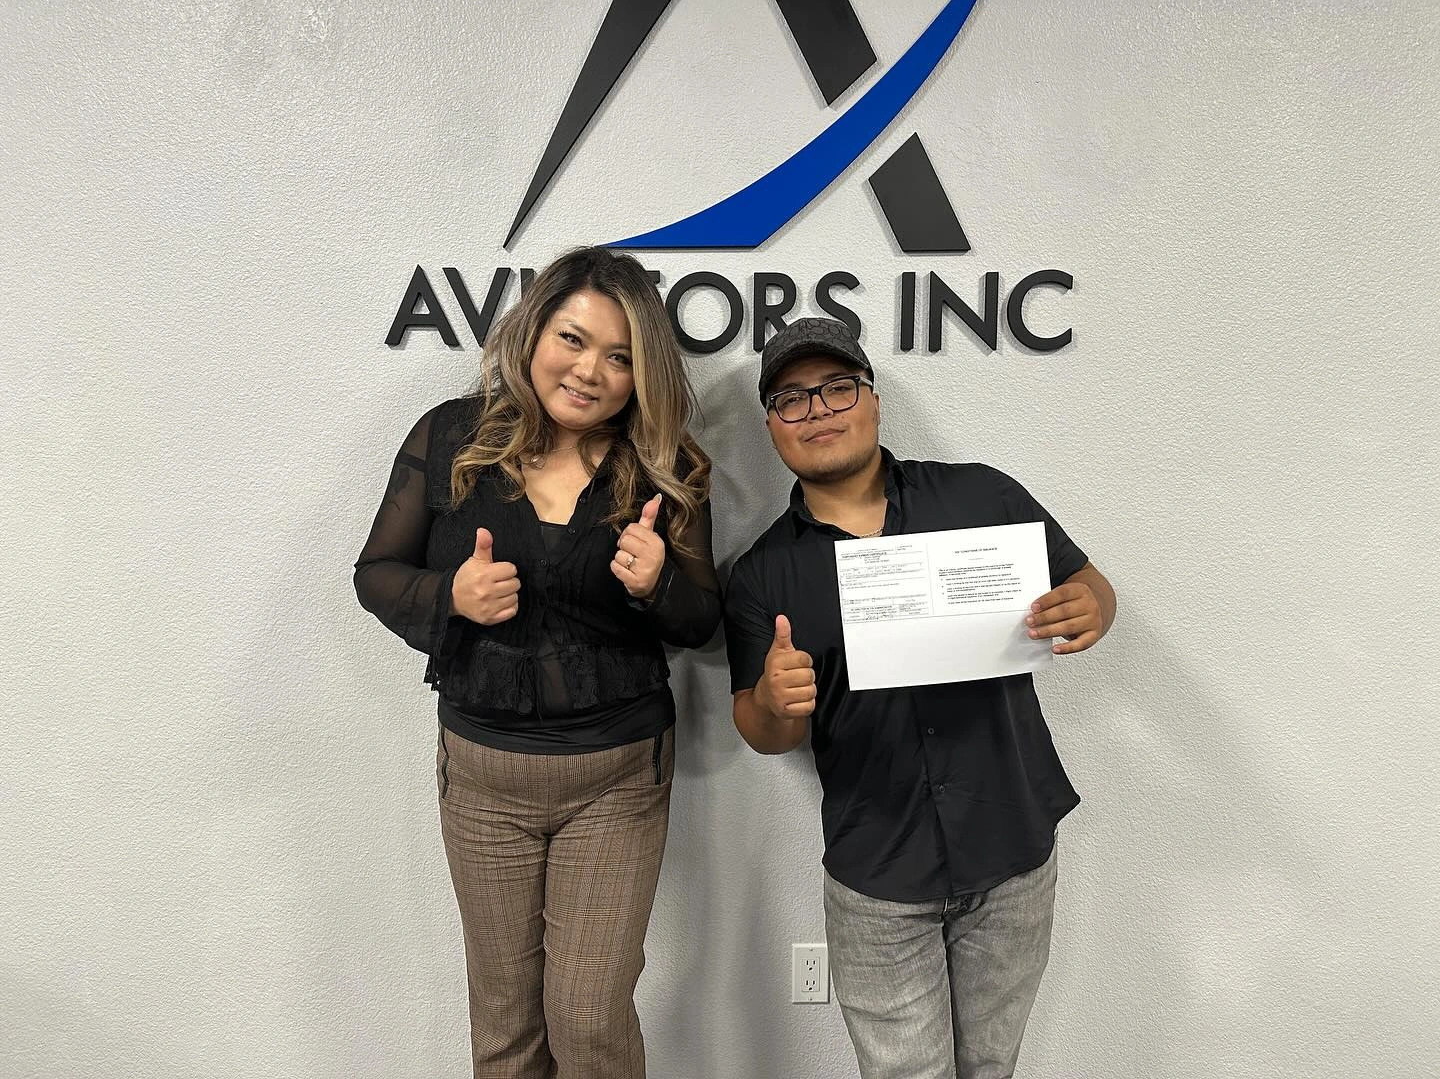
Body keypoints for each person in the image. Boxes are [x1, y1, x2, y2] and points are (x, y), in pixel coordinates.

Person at [354, 246, 719, 1079]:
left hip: (617, 781)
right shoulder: (452, 435)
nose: (591, 371)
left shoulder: (670, 466)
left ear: (643, 374)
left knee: (588, 1021)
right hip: (482, 782)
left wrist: (660, 584)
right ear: (531, 334)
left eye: (620, 357)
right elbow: (375, 575)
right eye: (573, 339)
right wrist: (451, 594)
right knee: (507, 1031)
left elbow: (701, 620)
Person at [723, 318, 1116, 1079]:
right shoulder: (760, 574)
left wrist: (1091, 606)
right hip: (878, 876)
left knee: (993, 1066)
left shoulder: (981, 495)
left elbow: (1086, 583)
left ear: (872, 400)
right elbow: (760, 731)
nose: (820, 410)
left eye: (838, 387)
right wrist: (775, 702)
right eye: (792, 399)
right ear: (771, 427)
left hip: (1012, 851)